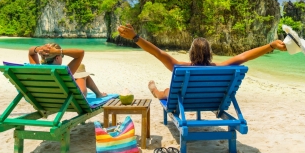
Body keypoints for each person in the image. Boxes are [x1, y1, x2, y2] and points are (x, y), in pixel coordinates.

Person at [117, 24, 287, 99]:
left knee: (165, 92)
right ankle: (155, 89)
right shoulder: (220, 67)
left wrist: (135, 37)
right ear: (210, 53)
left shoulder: (180, 67)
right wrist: (271, 45)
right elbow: (244, 56)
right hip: (209, 99)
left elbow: (157, 53)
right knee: (169, 90)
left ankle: (153, 89)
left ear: (191, 53)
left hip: (183, 100)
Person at [28, 43, 106, 98]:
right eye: (62, 56)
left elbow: (31, 52)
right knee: (81, 72)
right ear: (57, 58)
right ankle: (99, 94)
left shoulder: (36, 69)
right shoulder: (62, 72)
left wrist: (39, 49)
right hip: (69, 100)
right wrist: (58, 51)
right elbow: (81, 53)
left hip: (44, 100)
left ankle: (98, 94)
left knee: (79, 72)